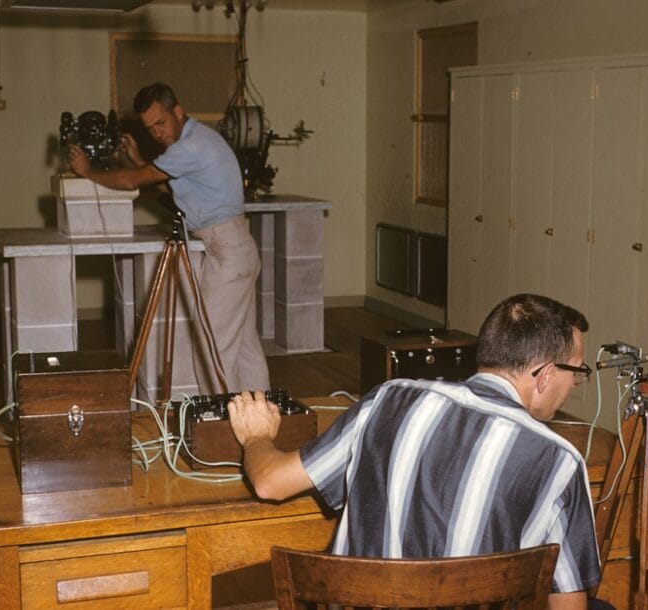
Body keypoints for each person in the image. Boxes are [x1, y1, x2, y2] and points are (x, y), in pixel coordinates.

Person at [228, 293, 602, 610]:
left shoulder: (389, 398)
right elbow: (567, 602)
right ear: (547, 374)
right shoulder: (560, 460)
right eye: (576, 372)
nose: (574, 386)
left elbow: (269, 482)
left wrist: (256, 437)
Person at [68, 82, 269, 394]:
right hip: (236, 247)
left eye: (160, 123)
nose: (157, 133)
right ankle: (262, 419)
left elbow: (131, 181)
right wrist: (138, 161)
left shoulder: (190, 148)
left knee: (211, 349)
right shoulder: (199, 140)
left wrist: (88, 172)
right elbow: (172, 190)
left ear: (178, 111)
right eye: (150, 128)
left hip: (227, 249)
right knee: (244, 346)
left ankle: (222, 428)